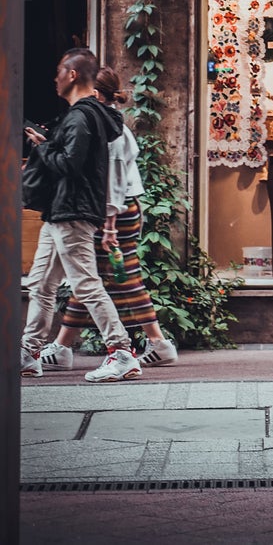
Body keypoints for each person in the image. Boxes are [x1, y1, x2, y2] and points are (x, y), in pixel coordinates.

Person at [37, 66, 179, 372]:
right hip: (115, 209)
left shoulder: (110, 130)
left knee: (112, 278)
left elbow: (115, 179)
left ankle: (156, 343)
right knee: (89, 277)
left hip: (115, 210)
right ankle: (62, 346)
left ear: (97, 94)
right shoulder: (108, 124)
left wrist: (110, 225)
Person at [20, 49, 141, 382]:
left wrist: (43, 148)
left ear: (73, 74)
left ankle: (121, 353)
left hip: (71, 210)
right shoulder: (88, 116)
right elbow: (75, 159)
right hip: (61, 211)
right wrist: (49, 144)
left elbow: (70, 166)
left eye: (60, 69)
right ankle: (29, 352)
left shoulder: (80, 117)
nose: (55, 76)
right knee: (40, 283)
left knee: (86, 285)